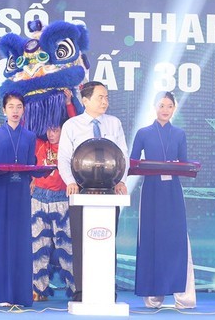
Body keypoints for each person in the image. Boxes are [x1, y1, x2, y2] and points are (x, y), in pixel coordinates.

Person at [57, 81, 129, 302]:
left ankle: (109, 288)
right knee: (81, 241)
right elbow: (64, 157)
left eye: (107, 97)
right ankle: (81, 290)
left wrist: (120, 181)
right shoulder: (72, 125)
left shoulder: (114, 123)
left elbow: (123, 156)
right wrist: (70, 181)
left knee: (108, 239)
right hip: (81, 190)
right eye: (100, 97)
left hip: (108, 190)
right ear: (85, 100)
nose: (105, 101)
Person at [130, 91, 196, 309]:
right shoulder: (143, 133)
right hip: (151, 191)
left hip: (173, 192)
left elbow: (185, 164)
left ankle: (184, 297)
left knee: (176, 239)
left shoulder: (179, 134)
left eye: (169, 106)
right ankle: (153, 296)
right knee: (151, 237)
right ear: (154, 106)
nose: (165, 110)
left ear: (174, 108)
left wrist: (182, 166)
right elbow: (133, 162)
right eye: (161, 105)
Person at [0, 92, 38, 307]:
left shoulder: (30, 136)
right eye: (11, 107)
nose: (15, 111)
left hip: (21, 192)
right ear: (3, 110)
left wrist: (33, 178)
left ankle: (20, 294)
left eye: (19, 106)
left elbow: (30, 165)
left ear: (23, 109)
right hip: (0, 190)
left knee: (21, 240)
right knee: (0, 239)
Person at [31, 124, 75, 301]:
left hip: (61, 199)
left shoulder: (68, 147)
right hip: (39, 198)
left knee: (66, 247)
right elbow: (33, 121)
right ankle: (38, 289)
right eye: (48, 129)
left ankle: (75, 289)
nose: (51, 134)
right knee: (38, 245)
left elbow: (75, 121)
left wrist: (68, 103)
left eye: (55, 130)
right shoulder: (39, 143)